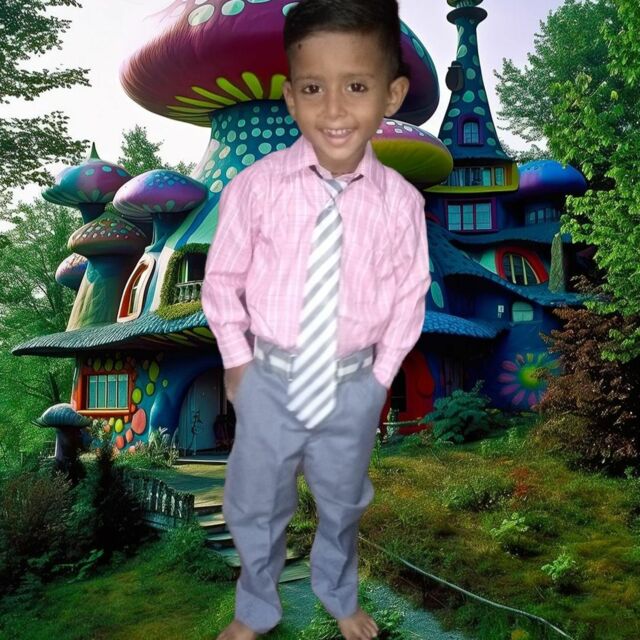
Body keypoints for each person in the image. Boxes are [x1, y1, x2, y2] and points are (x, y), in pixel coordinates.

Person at [201, 0, 431, 637]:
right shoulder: (254, 188)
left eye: (356, 86)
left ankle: (338, 595)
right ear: (289, 96)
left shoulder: (401, 203)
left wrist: (380, 378)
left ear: (391, 95)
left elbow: (409, 294)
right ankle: (256, 609)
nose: (333, 110)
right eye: (313, 89)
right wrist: (237, 362)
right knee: (255, 502)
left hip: (351, 380)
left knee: (343, 500)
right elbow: (221, 281)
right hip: (270, 376)